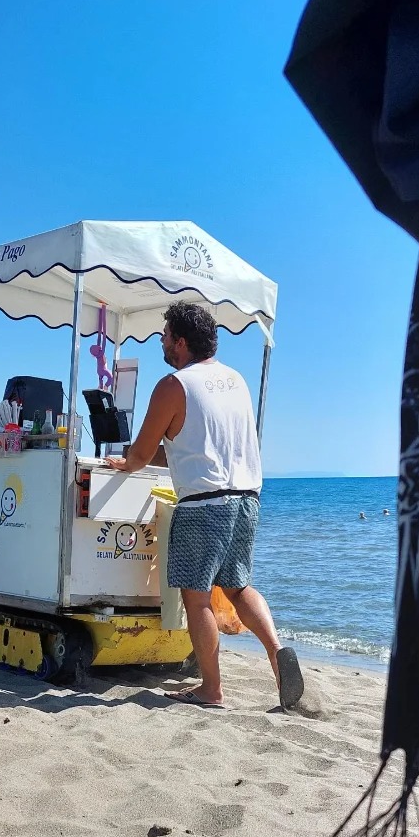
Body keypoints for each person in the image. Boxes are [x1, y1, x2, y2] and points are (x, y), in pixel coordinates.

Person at [106, 301, 304, 710]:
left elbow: (143, 454)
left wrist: (126, 461)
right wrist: (152, 455)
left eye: (164, 335)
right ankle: (276, 651)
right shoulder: (236, 381)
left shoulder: (173, 385)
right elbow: (194, 447)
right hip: (246, 500)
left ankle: (211, 689)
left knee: (196, 599)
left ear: (180, 341)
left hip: (203, 507)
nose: (160, 341)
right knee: (237, 585)